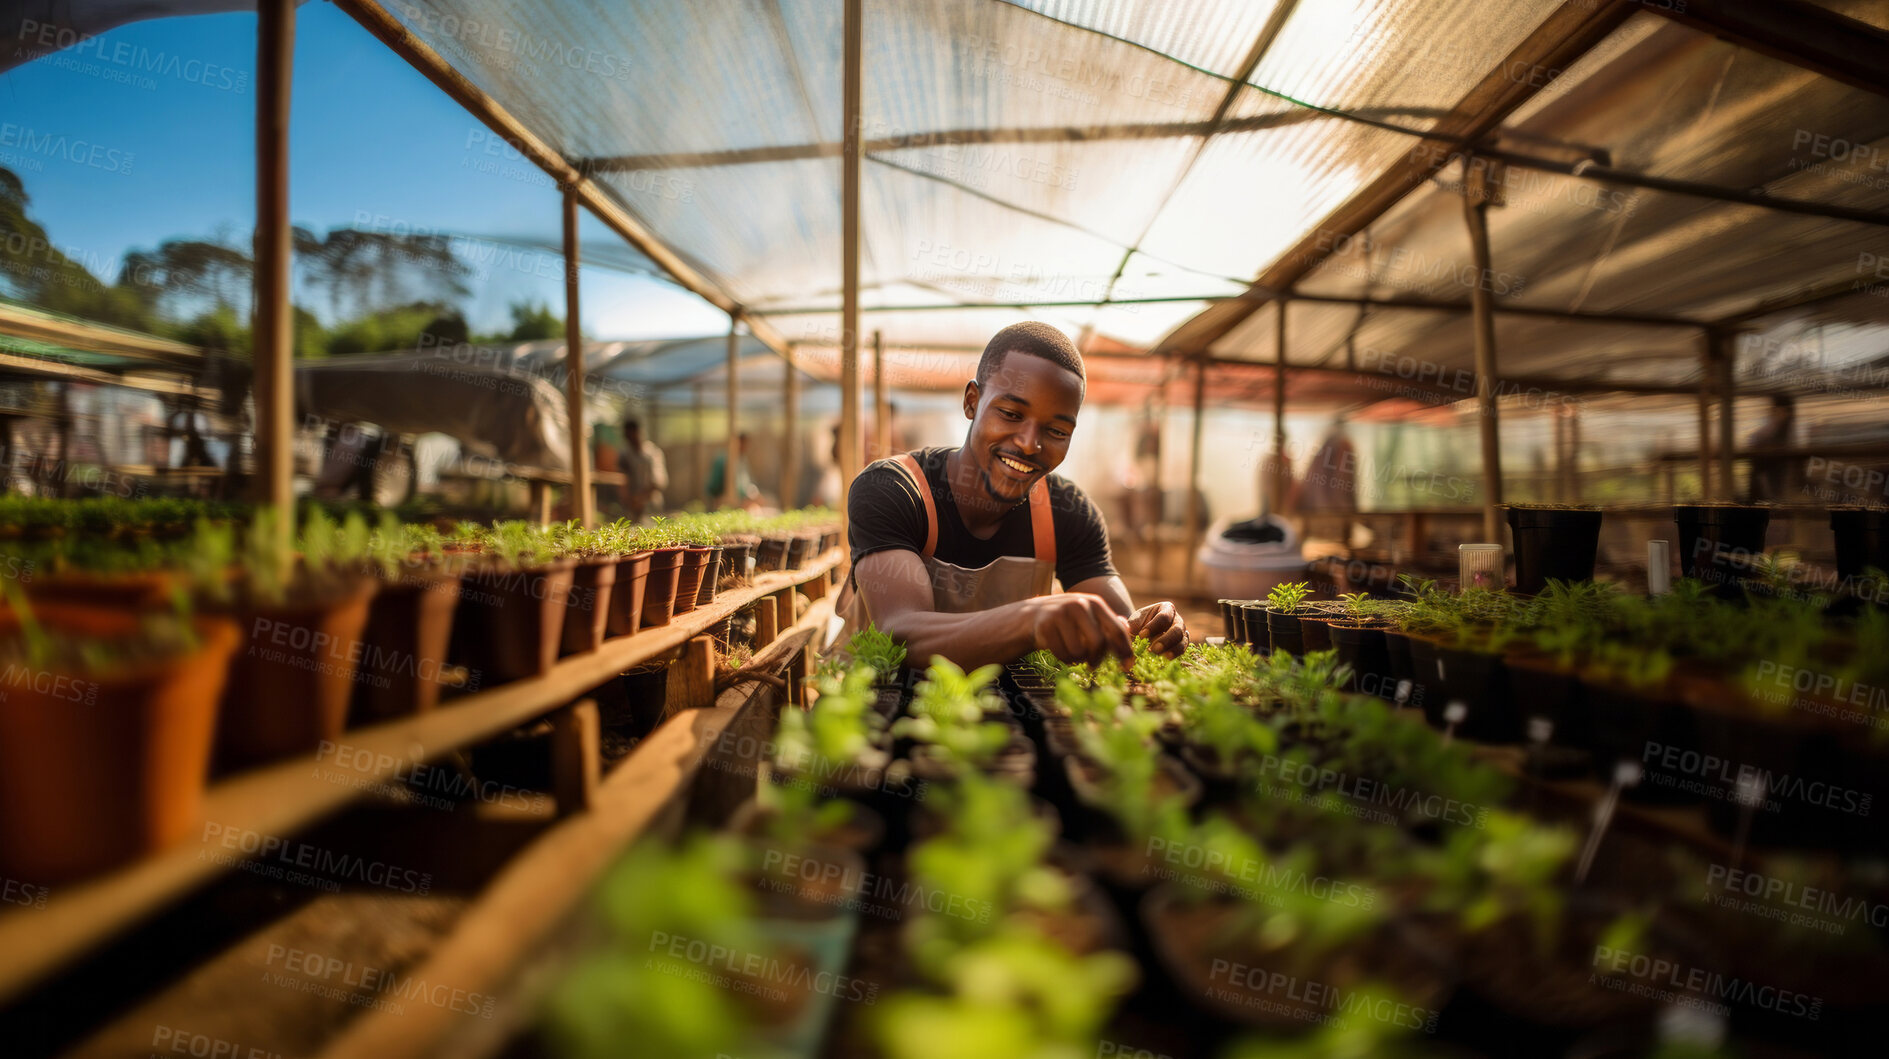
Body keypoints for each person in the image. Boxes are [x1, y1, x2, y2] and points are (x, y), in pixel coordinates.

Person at [838, 321, 1188, 668]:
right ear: (972, 402)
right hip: (874, 710)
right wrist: (1029, 620)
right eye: (1010, 414)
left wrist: (1150, 627)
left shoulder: (1067, 512)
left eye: (1056, 430)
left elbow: (1121, 629)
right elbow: (900, 633)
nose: (1029, 443)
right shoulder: (893, 490)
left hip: (1003, 714)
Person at [1743, 394, 1798, 503]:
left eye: (1784, 411)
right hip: (1769, 476)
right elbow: (1753, 439)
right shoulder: (1773, 429)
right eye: (1778, 411)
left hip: (1774, 476)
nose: (1782, 415)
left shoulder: (1786, 430)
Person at [620, 417, 668, 520]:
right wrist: (629, 500)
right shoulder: (625, 455)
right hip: (632, 507)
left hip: (651, 506)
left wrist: (640, 499)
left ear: (639, 432)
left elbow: (659, 482)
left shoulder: (652, 453)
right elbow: (622, 480)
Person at [707, 431, 760, 507]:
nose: (745, 447)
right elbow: (714, 486)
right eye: (743, 444)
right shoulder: (723, 460)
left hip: (741, 500)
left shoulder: (742, 459)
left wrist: (752, 493)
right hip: (723, 500)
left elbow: (746, 483)